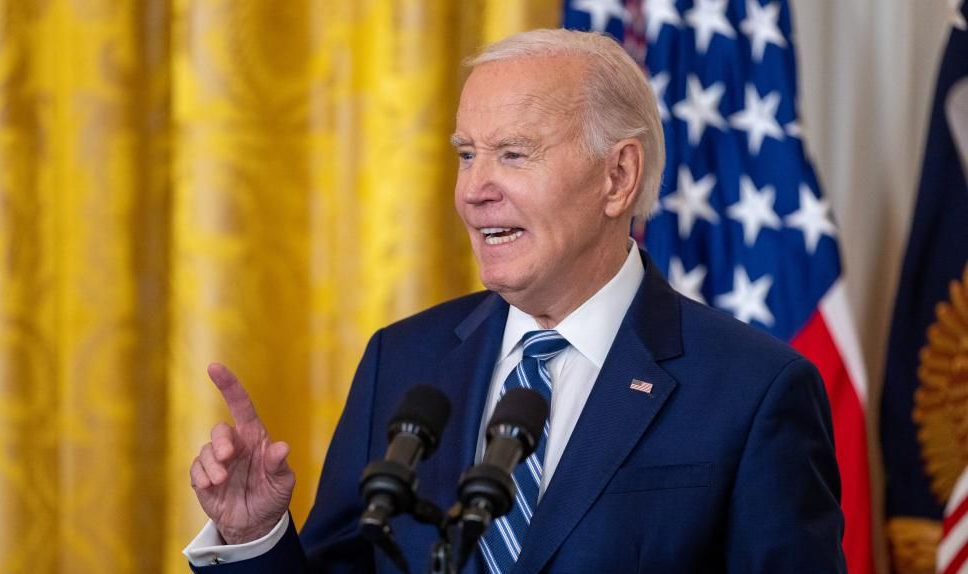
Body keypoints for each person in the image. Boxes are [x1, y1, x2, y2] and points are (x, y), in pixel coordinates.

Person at [184, 29, 845, 573]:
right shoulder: (404, 360)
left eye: (512, 154)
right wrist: (257, 537)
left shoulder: (753, 390)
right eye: (468, 154)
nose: (475, 189)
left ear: (618, 176)